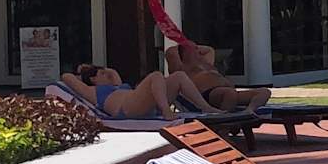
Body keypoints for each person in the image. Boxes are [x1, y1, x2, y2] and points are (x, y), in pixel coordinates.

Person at [60, 63, 208, 120]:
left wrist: (105, 70)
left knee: (178, 76)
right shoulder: (92, 91)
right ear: (93, 79)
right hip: (126, 109)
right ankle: (166, 111)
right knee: (156, 75)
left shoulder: (117, 86)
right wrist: (83, 70)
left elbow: (114, 72)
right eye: (103, 74)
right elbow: (66, 77)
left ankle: (206, 107)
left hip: (141, 104)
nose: (108, 75)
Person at [166, 41, 271, 112]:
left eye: (196, 47)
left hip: (229, 92)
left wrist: (193, 47)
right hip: (209, 95)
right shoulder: (183, 67)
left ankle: (249, 111)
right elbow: (170, 52)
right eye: (193, 48)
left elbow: (209, 49)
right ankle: (223, 127)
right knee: (229, 94)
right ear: (184, 53)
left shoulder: (206, 63)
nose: (197, 49)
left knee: (264, 92)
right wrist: (182, 43)